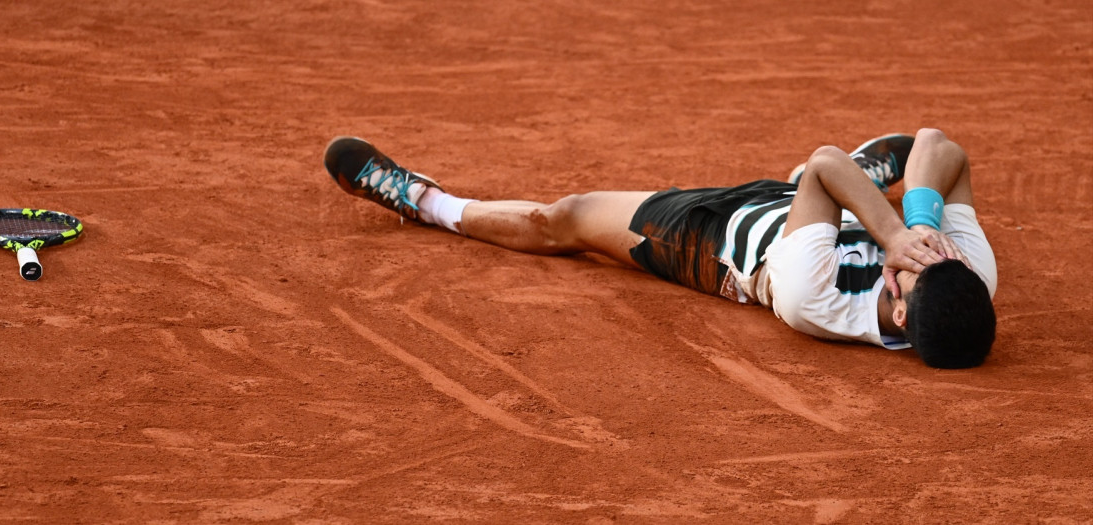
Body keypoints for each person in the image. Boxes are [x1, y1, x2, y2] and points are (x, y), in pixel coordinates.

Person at [322, 128, 997, 368]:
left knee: (565, 218)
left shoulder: (811, 296)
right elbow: (938, 144)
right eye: (935, 253)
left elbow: (826, 163)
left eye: (914, 268)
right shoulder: (965, 278)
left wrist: (892, 233)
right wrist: (921, 219)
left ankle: (424, 202)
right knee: (843, 179)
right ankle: (844, 187)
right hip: (810, 210)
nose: (923, 254)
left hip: (711, 237)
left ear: (898, 315)